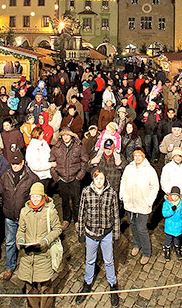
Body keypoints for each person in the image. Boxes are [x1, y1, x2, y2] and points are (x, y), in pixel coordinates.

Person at [77, 169, 121, 306]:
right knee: (90, 260)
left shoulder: (111, 193)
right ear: (93, 180)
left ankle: (113, 284)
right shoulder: (86, 192)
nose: (99, 181)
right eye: (97, 179)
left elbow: (115, 215)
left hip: (106, 233)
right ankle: (88, 282)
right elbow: (81, 212)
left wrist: (116, 234)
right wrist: (80, 232)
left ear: (104, 179)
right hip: (91, 233)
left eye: (101, 178)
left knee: (109, 260)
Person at [16, 182, 62, 308]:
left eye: (38, 196)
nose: (35, 199)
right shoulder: (24, 211)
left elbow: (57, 229)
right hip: (28, 255)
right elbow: (21, 230)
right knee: (30, 287)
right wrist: (20, 240)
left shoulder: (50, 212)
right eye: (33, 196)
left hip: (44, 254)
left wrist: (46, 240)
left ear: (43, 197)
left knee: (45, 286)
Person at [0, 151, 39, 281]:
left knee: (29, 242)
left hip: (25, 217)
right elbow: (1, 193)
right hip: (10, 215)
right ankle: (10, 267)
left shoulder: (32, 178)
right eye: (13, 164)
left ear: (23, 163)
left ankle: (29, 267)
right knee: (10, 242)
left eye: (18, 164)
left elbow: (36, 199)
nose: (15, 166)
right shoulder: (5, 176)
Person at [49, 128, 88, 228]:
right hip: (62, 179)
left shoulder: (78, 146)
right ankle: (66, 219)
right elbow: (51, 163)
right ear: (61, 136)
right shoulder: (56, 147)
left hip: (75, 178)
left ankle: (77, 220)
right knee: (64, 201)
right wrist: (56, 177)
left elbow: (85, 162)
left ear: (72, 136)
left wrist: (79, 176)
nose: (66, 137)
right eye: (64, 135)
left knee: (76, 201)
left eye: (68, 135)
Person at [161, 186, 182, 260]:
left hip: (178, 226)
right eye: (173, 195)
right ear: (170, 195)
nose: (175, 197)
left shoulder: (181, 204)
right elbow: (165, 214)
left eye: (177, 196)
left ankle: (177, 249)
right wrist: (171, 210)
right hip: (169, 226)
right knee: (168, 239)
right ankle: (167, 250)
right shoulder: (167, 204)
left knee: (177, 239)